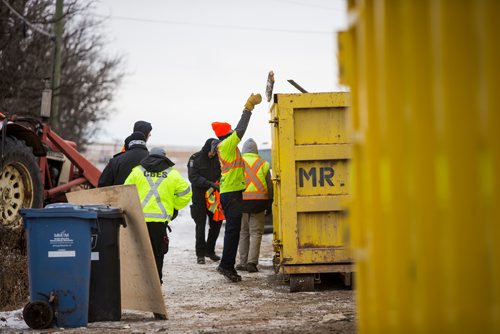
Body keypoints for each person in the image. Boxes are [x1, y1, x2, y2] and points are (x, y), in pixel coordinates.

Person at [211, 93, 262, 282]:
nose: (233, 131)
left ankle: (227, 265)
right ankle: (226, 266)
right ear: (226, 133)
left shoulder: (226, 146)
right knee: (233, 232)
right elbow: (241, 129)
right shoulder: (226, 144)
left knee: (233, 231)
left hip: (231, 192)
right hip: (231, 193)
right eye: (230, 130)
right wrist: (248, 108)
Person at [124, 147, 192, 284]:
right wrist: (174, 207)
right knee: (158, 253)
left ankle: (140, 283)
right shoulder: (172, 174)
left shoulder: (137, 172)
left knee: (139, 253)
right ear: (164, 156)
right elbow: (186, 192)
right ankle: (156, 282)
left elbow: (126, 192)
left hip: (139, 220)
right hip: (159, 222)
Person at [236, 138, 273, 273]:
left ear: (244, 150)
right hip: (259, 202)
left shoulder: (238, 163)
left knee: (243, 232)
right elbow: (269, 185)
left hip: (242, 202)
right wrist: (270, 202)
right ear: (256, 150)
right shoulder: (263, 164)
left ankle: (242, 262)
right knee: (256, 233)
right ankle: (252, 263)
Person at [187, 138, 223, 265]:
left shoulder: (219, 158)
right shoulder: (195, 158)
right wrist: (210, 184)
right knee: (200, 225)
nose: (213, 154)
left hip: (214, 197)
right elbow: (193, 177)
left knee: (216, 224)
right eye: (212, 151)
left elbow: (223, 173)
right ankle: (200, 254)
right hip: (199, 198)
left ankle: (210, 251)